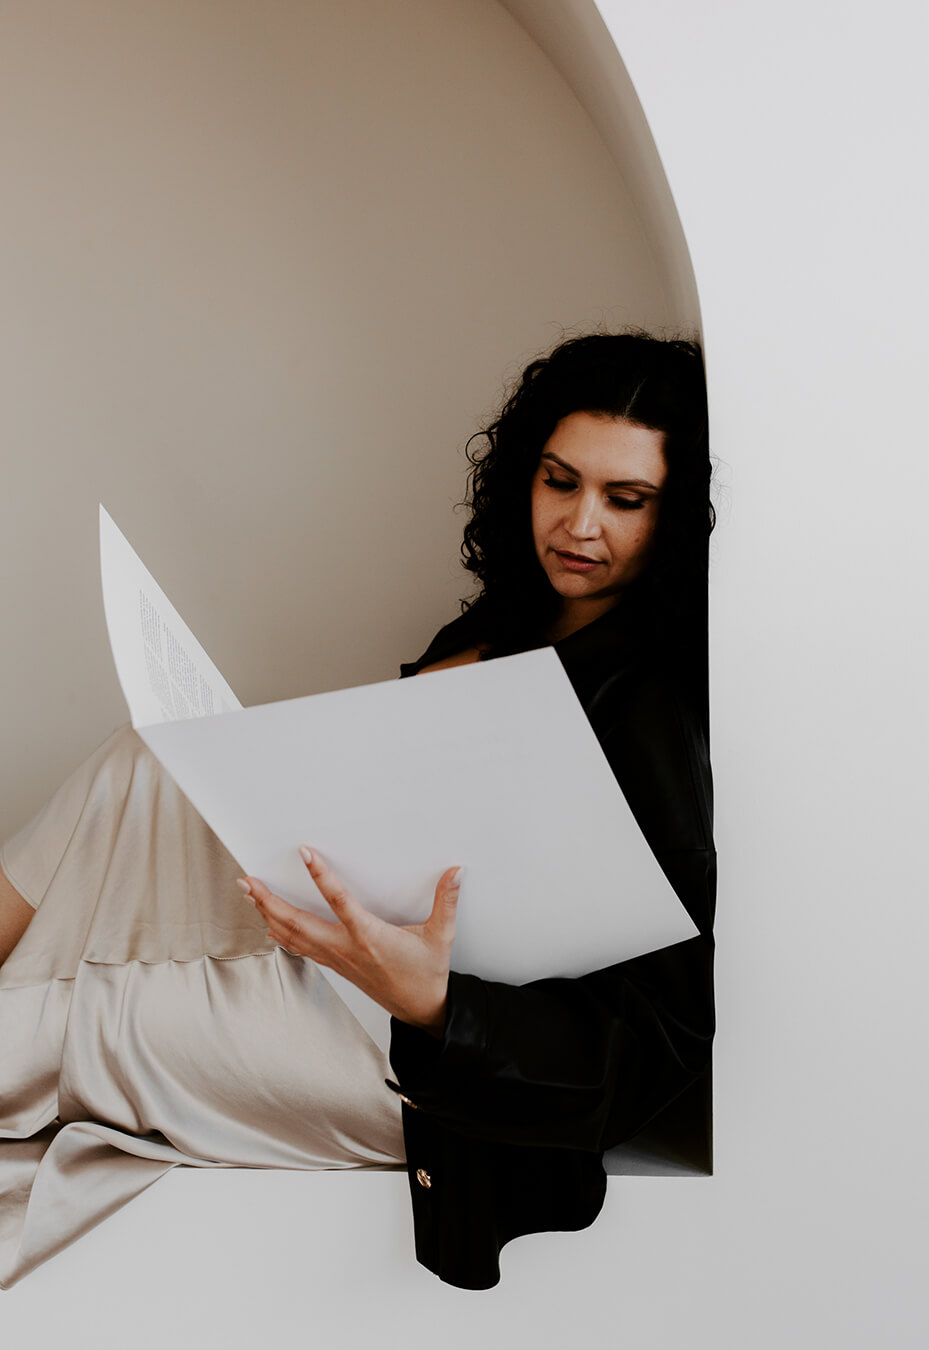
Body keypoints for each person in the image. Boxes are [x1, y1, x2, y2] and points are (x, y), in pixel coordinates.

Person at [0, 331, 715, 1291]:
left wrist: (436, 1004)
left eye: (625, 500)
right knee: (142, 766)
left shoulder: (657, 712)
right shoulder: (501, 625)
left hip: (428, 1057)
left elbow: (662, 1035)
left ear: (673, 515)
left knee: (89, 1017)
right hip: (357, 953)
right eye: (560, 482)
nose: (580, 524)